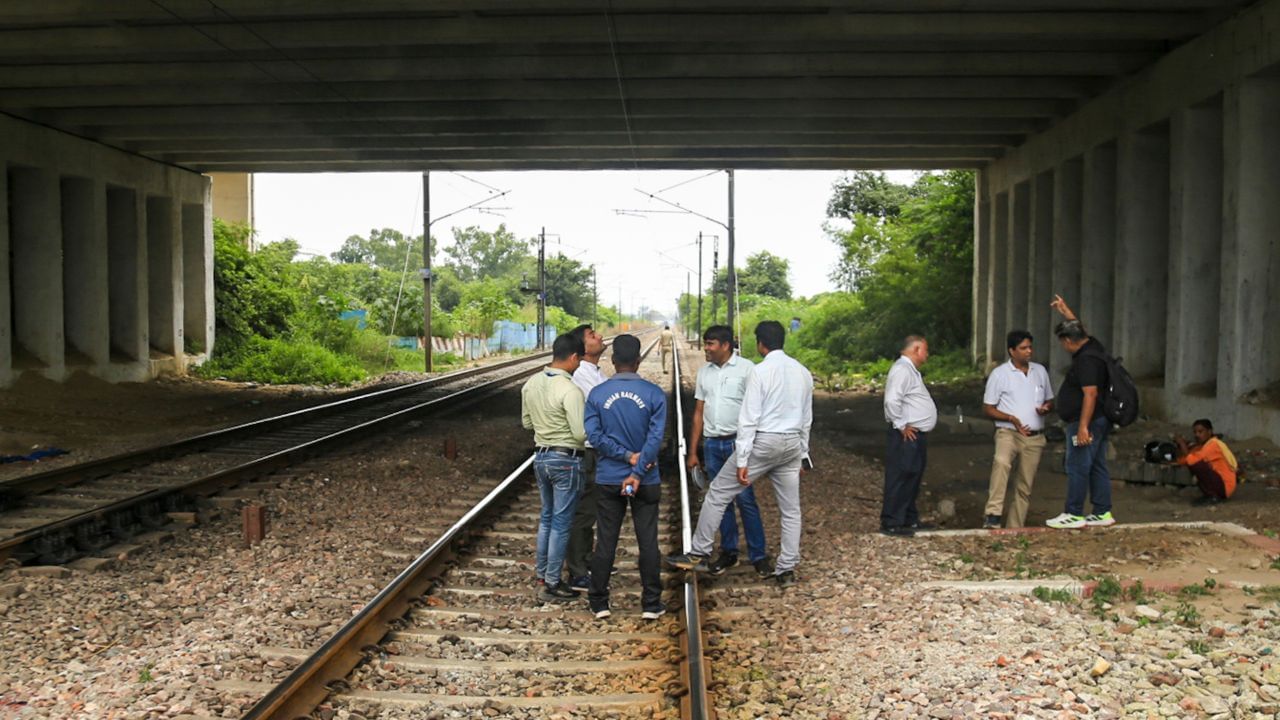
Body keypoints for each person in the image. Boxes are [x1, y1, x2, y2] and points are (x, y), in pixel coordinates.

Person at [666, 320, 813, 589]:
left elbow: (749, 418)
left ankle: (698, 551)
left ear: (761, 343)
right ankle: (786, 568)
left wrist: (743, 459)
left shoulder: (759, 371)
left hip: (764, 442)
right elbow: (806, 417)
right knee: (791, 510)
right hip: (791, 443)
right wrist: (804, 454)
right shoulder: (802, 372)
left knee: (718, 493)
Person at [584, 334, 668, 620]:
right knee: (648, 540)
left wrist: (624, 457)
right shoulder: (654, 394)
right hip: (646, 479)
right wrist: (637, 468)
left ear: (612, 360)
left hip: (609, 477)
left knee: (606, 539)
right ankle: (651, 604)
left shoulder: (597, 394)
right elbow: (655, 439)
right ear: (638, 360)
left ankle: (599, 602)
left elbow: (594, 437)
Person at [686, 325, 771, 578]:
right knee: (719, 500)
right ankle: (729, 552)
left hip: (739, 443)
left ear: (725, 345)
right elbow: (699, 413)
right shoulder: (704, 373)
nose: (706, 348)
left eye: (710, 343)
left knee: (746, 500)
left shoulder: (748, 370)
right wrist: (693, 451)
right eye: (706, 343)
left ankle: (759, 555)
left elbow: (758, 409)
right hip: (713, 444)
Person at [520, 332, 587, 603]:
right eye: (579, 360)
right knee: (561, 522)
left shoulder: (531, 383)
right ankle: (553, 581)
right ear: (572, 357)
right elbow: (580, 434)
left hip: (541, 458)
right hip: (566, 460)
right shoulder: (570, 389)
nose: (579, 365)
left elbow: (527, 423)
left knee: (547, 518)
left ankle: (541, 574)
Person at [1045, 295, 1116, 529]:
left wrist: (1083, 426)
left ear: (1068, 341)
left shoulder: (1086, 361)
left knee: (1077, 465)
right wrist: (1066, 312)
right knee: (1097, 464)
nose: (1063, 347)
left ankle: (1074, 513)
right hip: (1101, 419)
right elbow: (1080, 330)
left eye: (1062, 342)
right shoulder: (1093, 347)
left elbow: (1090, 394)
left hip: (1087, 421)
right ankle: (1102, 512)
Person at [981, 330, 1055, 529]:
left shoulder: (1040, 371)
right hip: (1009, 432)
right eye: (1023, 348)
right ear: (1011, 351)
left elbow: (1050, 400)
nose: (1028, 351)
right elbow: (988, 408)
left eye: (1030, 347)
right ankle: (993, 514)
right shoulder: (1000, 374)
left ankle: (1016, 526)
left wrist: (1046, 408)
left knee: (1025, 484)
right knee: (1001, 462)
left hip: (1034, 436)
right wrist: (1010, 418)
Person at [565, 323, 608, 593]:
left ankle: (587, 559)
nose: (600, 337)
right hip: (587, 450)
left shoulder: (596, 372)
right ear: (582, 347)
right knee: (582, 512)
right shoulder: (580, 374)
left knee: (591, 509)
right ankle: (577, 571)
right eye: (592, 336)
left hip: (596, 449)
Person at [880, 335, 938, 537]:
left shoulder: (910, 371)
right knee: (901, 475)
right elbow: (892, 400)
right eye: (925, 350)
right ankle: (892, 521)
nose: (927, 354)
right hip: (906, 434)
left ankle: (908, 518)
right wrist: (901, 425)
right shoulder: (902, 370)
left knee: (913, 475)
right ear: (915, 349)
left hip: (915, 434)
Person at [1174, 419, 1239, 504]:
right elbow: (1186, 459)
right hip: (1220, 484)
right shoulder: (1204, 446)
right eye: (1195, 432)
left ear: (1209, 432)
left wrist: (1182, 444)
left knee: (1198, 464)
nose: (1197, 435)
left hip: (1224, 486)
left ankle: (1214, 496)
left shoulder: (1213, 445)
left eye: (1200, 432)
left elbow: (1191, 460)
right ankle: (1210, 495)